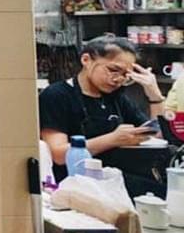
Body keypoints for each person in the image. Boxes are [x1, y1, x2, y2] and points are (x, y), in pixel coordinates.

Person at [39, 35, 167, 198]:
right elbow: (58, 154)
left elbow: (156, 134)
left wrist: (154, 94)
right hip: (77, 185)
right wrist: (113, 139)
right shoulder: (57, 95)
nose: (118, 79)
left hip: (116, 179)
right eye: (113, 70)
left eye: (125, 75)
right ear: (86, 60)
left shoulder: (116, 97)